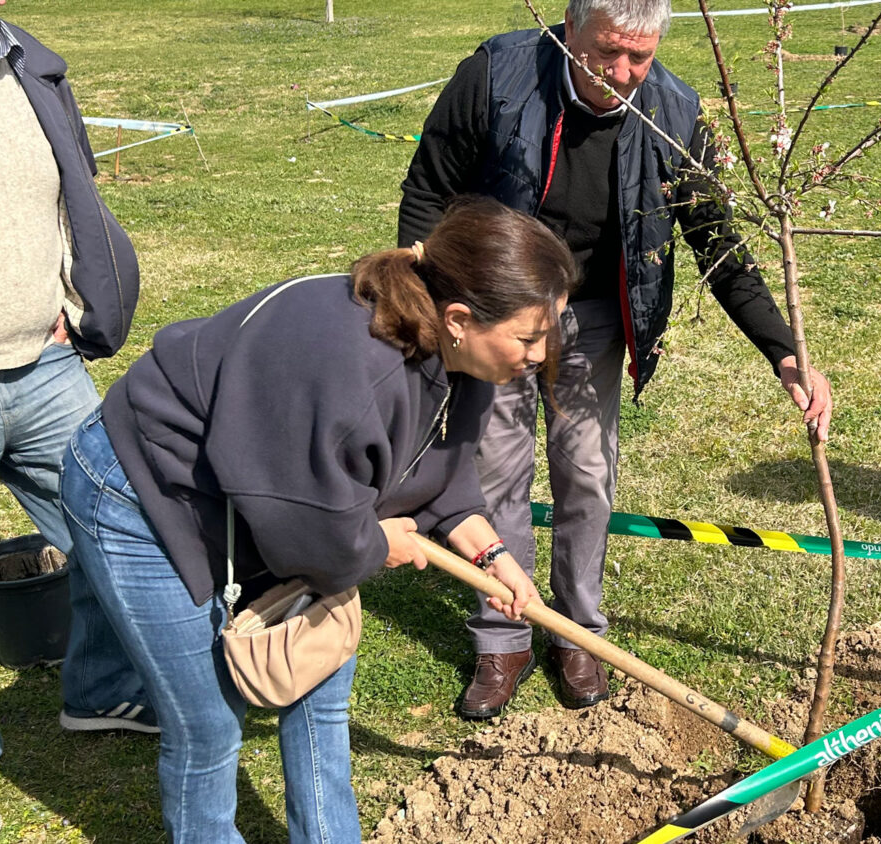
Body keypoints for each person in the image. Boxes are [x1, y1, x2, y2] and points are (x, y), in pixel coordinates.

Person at [58, 198, 570, 842]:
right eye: (528, 337)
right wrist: (374, 542)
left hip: (270, 495)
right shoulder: (354, 371)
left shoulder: (456, 355)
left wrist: (493, 556)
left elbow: (442, 469)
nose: (539, 353)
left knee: (320, 676)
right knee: (209, 724)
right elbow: (313, 534)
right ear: (460, 317)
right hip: (142, 490)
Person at [398, 0, 835, 721]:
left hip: (595, 316)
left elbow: (715, 240)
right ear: (569, 28)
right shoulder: (494, 77)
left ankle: (578, 635)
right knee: (493, 469)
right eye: (607, 52)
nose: (623, 73)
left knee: (587, 475)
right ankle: (502, 639)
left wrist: (783, 352)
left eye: (641, 56)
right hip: (498, 310)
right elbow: (427, 190)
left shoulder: (673, 109)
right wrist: (434, 299)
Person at [0, 2, 141, 841]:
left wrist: (77, 300)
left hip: (47, 365)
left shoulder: (37, 73)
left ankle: (98, 692)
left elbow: (75, 197)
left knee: (120, 540)